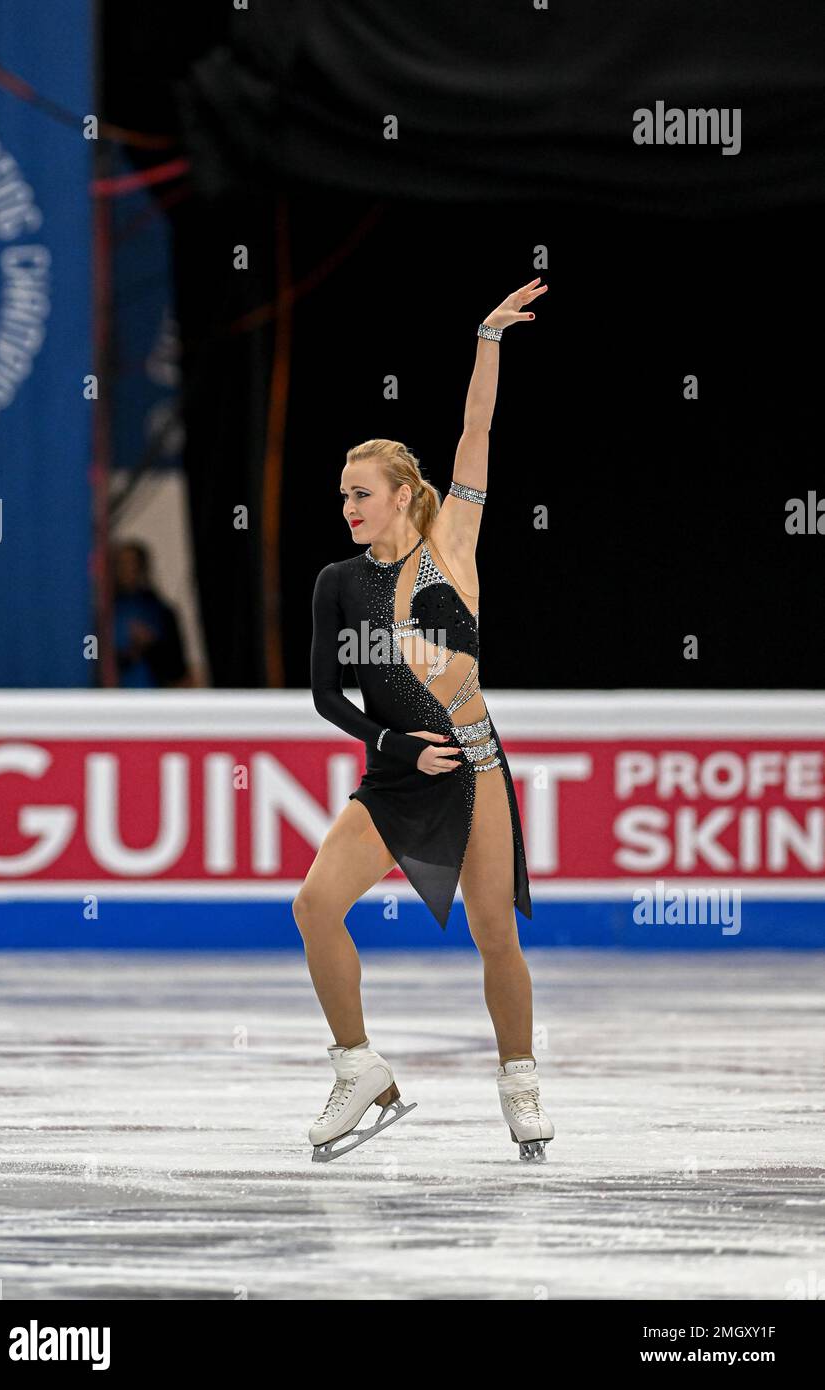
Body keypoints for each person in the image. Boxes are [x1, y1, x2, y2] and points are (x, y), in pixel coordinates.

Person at [298, 278, 557, 1163]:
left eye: (361, 493)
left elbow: (475, 432)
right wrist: (397, 743)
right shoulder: (338, 583)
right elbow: (329, 697)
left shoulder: (453, 546)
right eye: (341, 498)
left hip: (476, 766)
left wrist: (487, 336)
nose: (348, 508)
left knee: (496, 936)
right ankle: (358, 1068)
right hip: (399, 770)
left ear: (405, 494)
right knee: (314, 905)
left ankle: (521, 1087)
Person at [112, 541, 188, 688]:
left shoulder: (161, 612)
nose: (126, 570)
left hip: (153, 697)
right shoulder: (104, 615)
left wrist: (152, 644)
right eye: (120, 564)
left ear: (142, 568)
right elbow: (93, 660)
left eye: (131, 563)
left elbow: (177, 669)